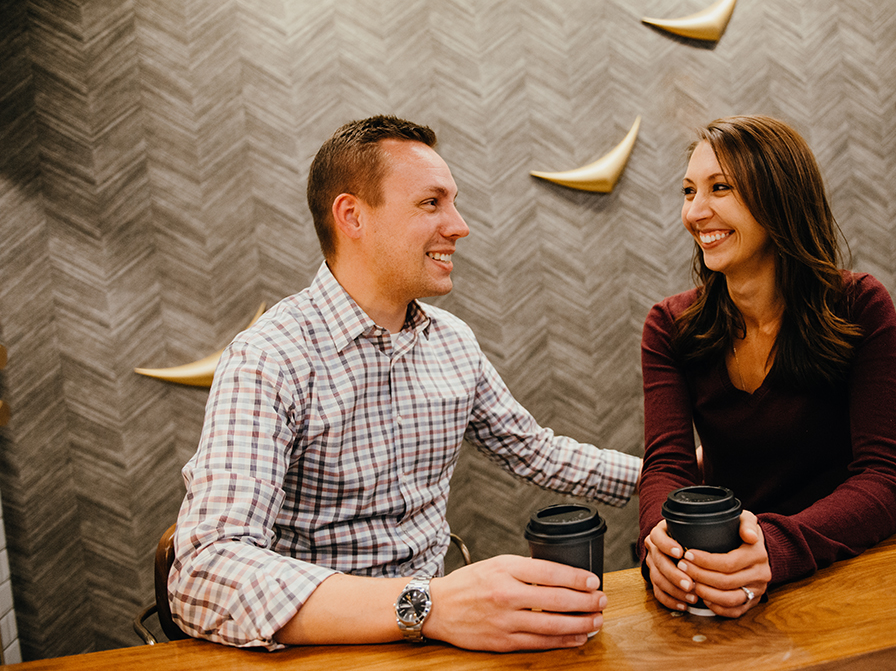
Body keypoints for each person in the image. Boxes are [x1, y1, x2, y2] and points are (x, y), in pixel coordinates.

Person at [169, 115, 641, 652]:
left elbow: (537, 452)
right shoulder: (269, 358)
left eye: (454, 202)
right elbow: (203, 572)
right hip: (318, 651)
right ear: (352, 216)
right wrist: (428, 605)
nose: (460, 226)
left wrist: (684, 473)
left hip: (435, 643)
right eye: (431, 203)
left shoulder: (452, 341)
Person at [637, 115, 896, 618]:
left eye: (720, 188)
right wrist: (660, 538)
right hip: (726, 580)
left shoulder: (859, 304)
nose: (695, 212)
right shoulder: (669, 326)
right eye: (688, 191)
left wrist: (772, 547)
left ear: (780, 197)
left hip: (846, 567)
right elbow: (667, 468)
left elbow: (888, 477)